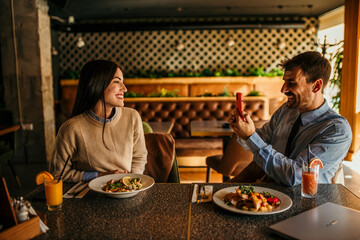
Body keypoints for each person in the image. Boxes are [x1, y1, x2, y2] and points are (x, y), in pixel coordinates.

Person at [228, 51, 352, 186]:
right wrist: (244, 133)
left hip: (307, 202)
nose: (283, 89)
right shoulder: (286, 111)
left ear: (316, 86)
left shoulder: (336, 130)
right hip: (269, 194)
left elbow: (296, 176)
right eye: (284, 82)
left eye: (291, 83)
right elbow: (260, 140)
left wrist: (251, 136)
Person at [50, 60, 147, 182]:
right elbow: (58, 174)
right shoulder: (71, 128)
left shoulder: (132, 117)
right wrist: (98, 176)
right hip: (89, 196)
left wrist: (130, 183)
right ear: (97, 84)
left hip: (128, 193)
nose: (125, 88)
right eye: (117, 81)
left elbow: (139, 157)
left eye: (122, 81)